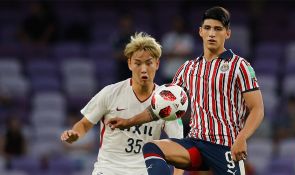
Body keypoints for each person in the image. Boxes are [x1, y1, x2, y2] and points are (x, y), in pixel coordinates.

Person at [107, 6, 264, 175]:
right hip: (195, 145)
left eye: (218, 29)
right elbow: (162, 106)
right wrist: (129, 121)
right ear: (200, 32)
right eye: (207, 28)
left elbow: (257, 109)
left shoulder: (240, 66)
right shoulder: (188, 68)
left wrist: (241, 138)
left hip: (225, 147)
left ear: (227, 33)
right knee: (152, 148)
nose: (212, 33)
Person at [60, 32, 184, 175]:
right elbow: (83, 124)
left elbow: (178, 147)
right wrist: (75, 134)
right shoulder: (110, 93)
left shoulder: (167, 102)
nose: (143, 69)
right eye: (138, 63)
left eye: (149, 63)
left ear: (157, 64)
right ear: (130, 63)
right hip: (108, 170)